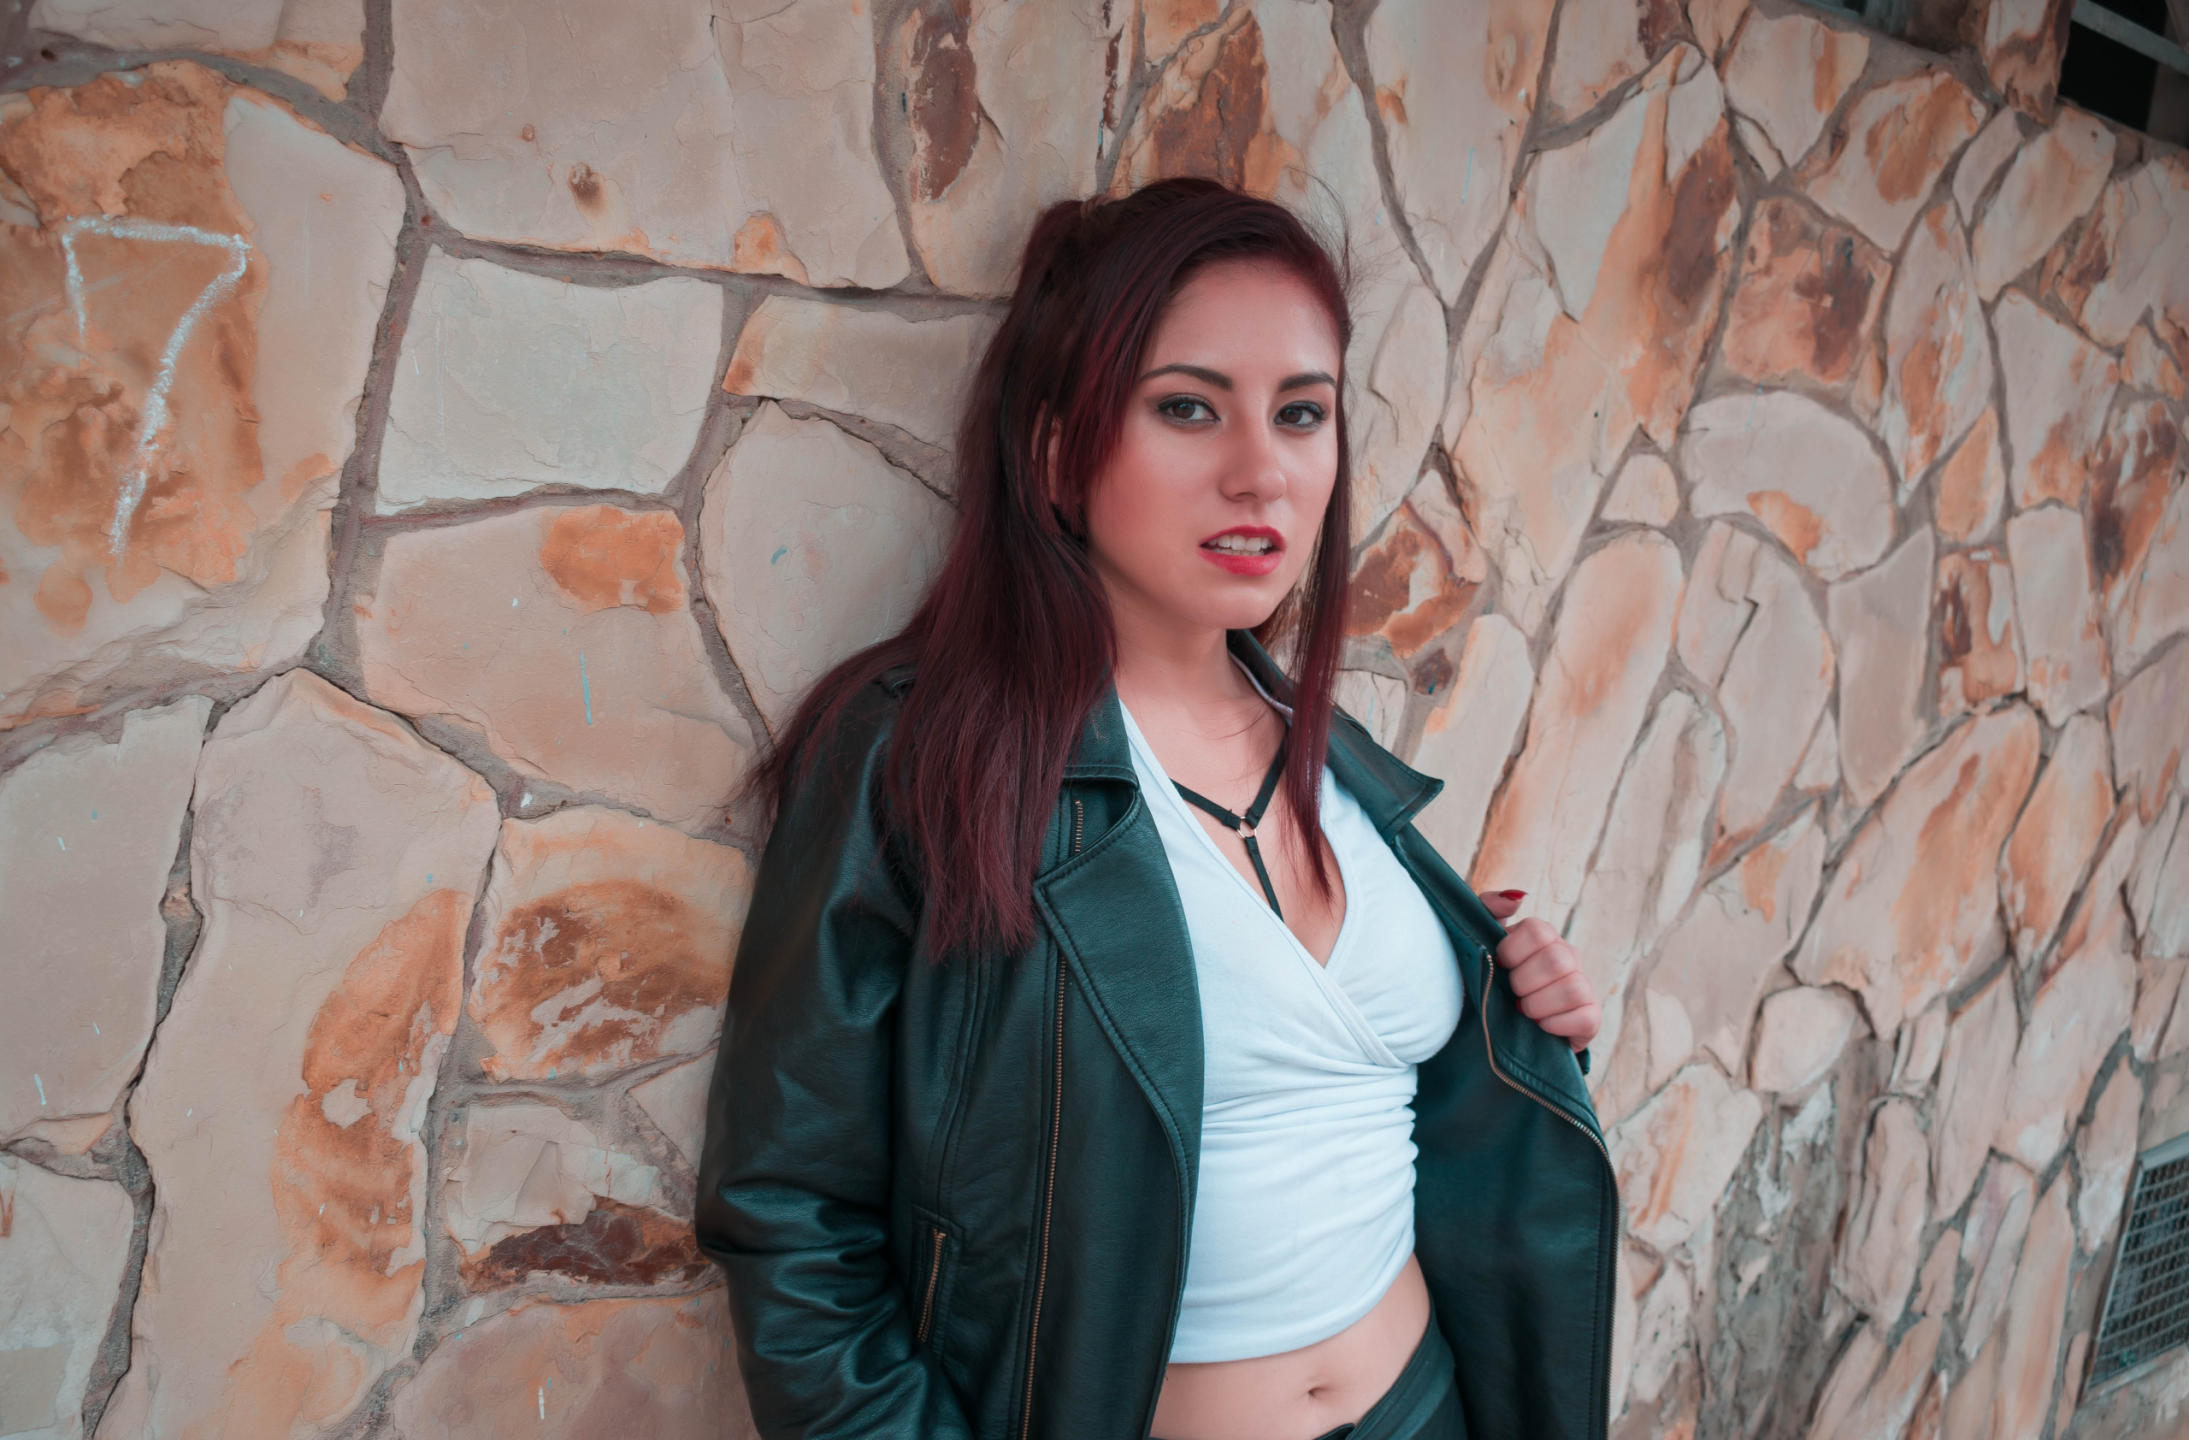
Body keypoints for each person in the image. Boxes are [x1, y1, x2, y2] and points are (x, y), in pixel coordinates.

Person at [695, 177, 1615, 1440]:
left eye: (1300, 413)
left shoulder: (1334, 757)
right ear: (1058, 450)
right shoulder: (927, 755)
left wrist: (1523, 1013)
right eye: (1187, 407)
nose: (1259, 472)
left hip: (1430, 1403)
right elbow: (792, 1215)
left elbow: (1385, 1113)